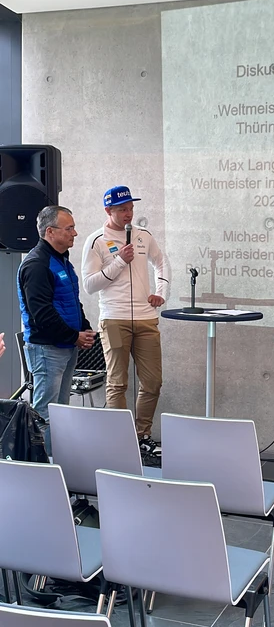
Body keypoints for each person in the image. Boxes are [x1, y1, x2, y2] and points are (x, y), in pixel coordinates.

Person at [81, 185, 169, 456]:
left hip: (146, 319)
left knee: (153, 382)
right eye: (122, 209)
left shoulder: (144, 235)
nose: (128, 214)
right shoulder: (96, 240)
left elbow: (161, 262)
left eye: (130, 208)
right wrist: (119, 261)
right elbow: (89, 285)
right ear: (108, 210)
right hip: (114, 319)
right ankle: (119, 442)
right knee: (117, 382)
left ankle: (142, 436)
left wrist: (161, 292)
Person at [17, 205, 96, 454]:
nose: (75, 233)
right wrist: (74, 336)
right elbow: (42, 314)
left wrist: (84, 328)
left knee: (60, 411)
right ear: (50, 231)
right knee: (44, 414)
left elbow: (71, 300)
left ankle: (59, 463)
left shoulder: (61, 260)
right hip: (46, 349)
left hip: (66, 346)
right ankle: (40, 467)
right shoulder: (36, 265)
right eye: (69, 228)